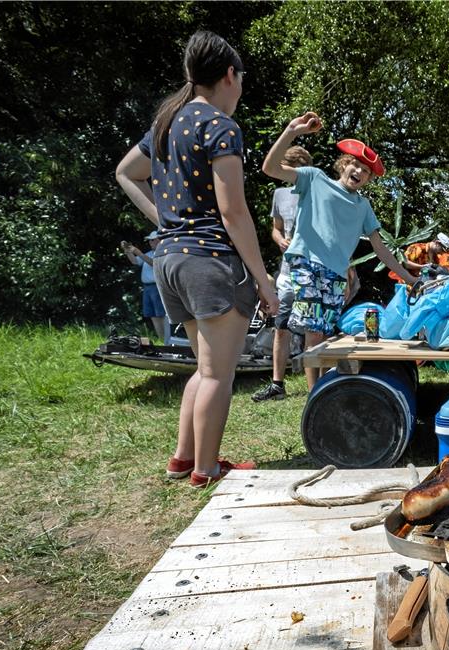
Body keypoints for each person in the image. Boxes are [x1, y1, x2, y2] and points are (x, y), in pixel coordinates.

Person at [115, 31, 277, 487]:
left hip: (168, 261)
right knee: (217, 376)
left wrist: (164, 221)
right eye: (241, 80)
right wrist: (264, 281)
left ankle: (183, 459)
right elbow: (232, 211)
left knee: (203, 368)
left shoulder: (168, 122)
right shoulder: (220, 127)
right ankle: (206, 470)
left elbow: (126, 172)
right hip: (208, 261)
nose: (240, 89)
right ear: (230, 75)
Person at [261, 113, 418, 390]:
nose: (358, 172)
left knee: (323, 333)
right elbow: (270, 168)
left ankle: (322, 390)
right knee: (313, 333)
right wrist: (291, 132)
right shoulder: (314, 179)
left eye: (366, 171)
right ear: (344, 164)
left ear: (369, 179)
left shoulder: (363, 207)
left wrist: (409, 277)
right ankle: (315, 396)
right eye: (355, 165)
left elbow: (381, 249)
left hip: (335, 273)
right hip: (307, 264)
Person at [251, 146, 313, 403]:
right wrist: (279, 240)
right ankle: (278, 384)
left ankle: (315, 389)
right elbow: (276, 229)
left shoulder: (315, 192)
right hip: (287, 270)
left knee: (312, 329)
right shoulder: (279, 194)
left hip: (311, 270)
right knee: (281, 326)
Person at [120, 230, 168, 340]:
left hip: (157, 287)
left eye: (152, 240)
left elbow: (153, 263)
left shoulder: (163, 253)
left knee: (161, 314)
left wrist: (138, 251)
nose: (150, 242)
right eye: (150, 241)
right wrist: (128, 251)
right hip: (147, 288)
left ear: (160, 240)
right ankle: (162, 338)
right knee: (153, 315)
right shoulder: (149, 254)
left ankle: (166, 339)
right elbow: (135, 262)